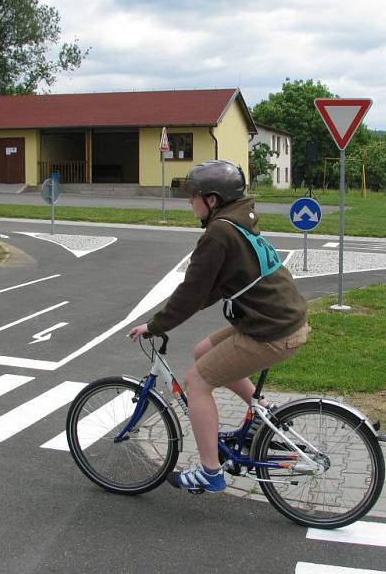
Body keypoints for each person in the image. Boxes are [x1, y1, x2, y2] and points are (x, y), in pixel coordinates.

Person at [128, 160, 309, 494]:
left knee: (197, 383)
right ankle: (262, 412)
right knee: (202, 352)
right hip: (278, 318)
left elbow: (191, 293)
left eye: (193, 195)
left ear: (212, 200)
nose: (188, 201)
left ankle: (211, 472)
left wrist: (155, 325)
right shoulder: (238, 219)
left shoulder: (219, 233)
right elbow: (212, 288)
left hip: (272, 329)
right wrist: (168, 318)